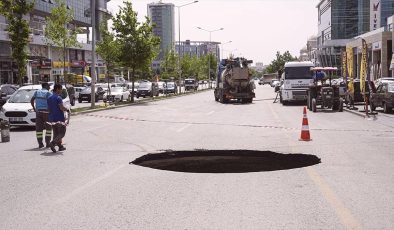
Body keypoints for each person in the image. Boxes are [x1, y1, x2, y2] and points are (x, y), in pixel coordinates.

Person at [47, 84, 68, 153]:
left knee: (56, 133)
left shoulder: (49, 98)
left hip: (52, 118)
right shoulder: (58, 98)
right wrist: (67, 109)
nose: (61, 90)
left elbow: (48, 109)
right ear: (57, 89)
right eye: (60, 89)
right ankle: (52, 143)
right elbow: (61, 108)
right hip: (59, 118)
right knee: (62, 133)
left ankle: (60, 147)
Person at [30, 82, 52, 148]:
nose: (49, 87)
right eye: (48, 86)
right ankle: (47, 143)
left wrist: (34, 108)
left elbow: (32, 100)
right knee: (48, 128)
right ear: (45, 86)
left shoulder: (37, 92)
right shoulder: (48, 93)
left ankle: (40, 144)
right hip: (46, 112)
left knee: (39, 129)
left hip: (38, 112)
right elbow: (52, 102)